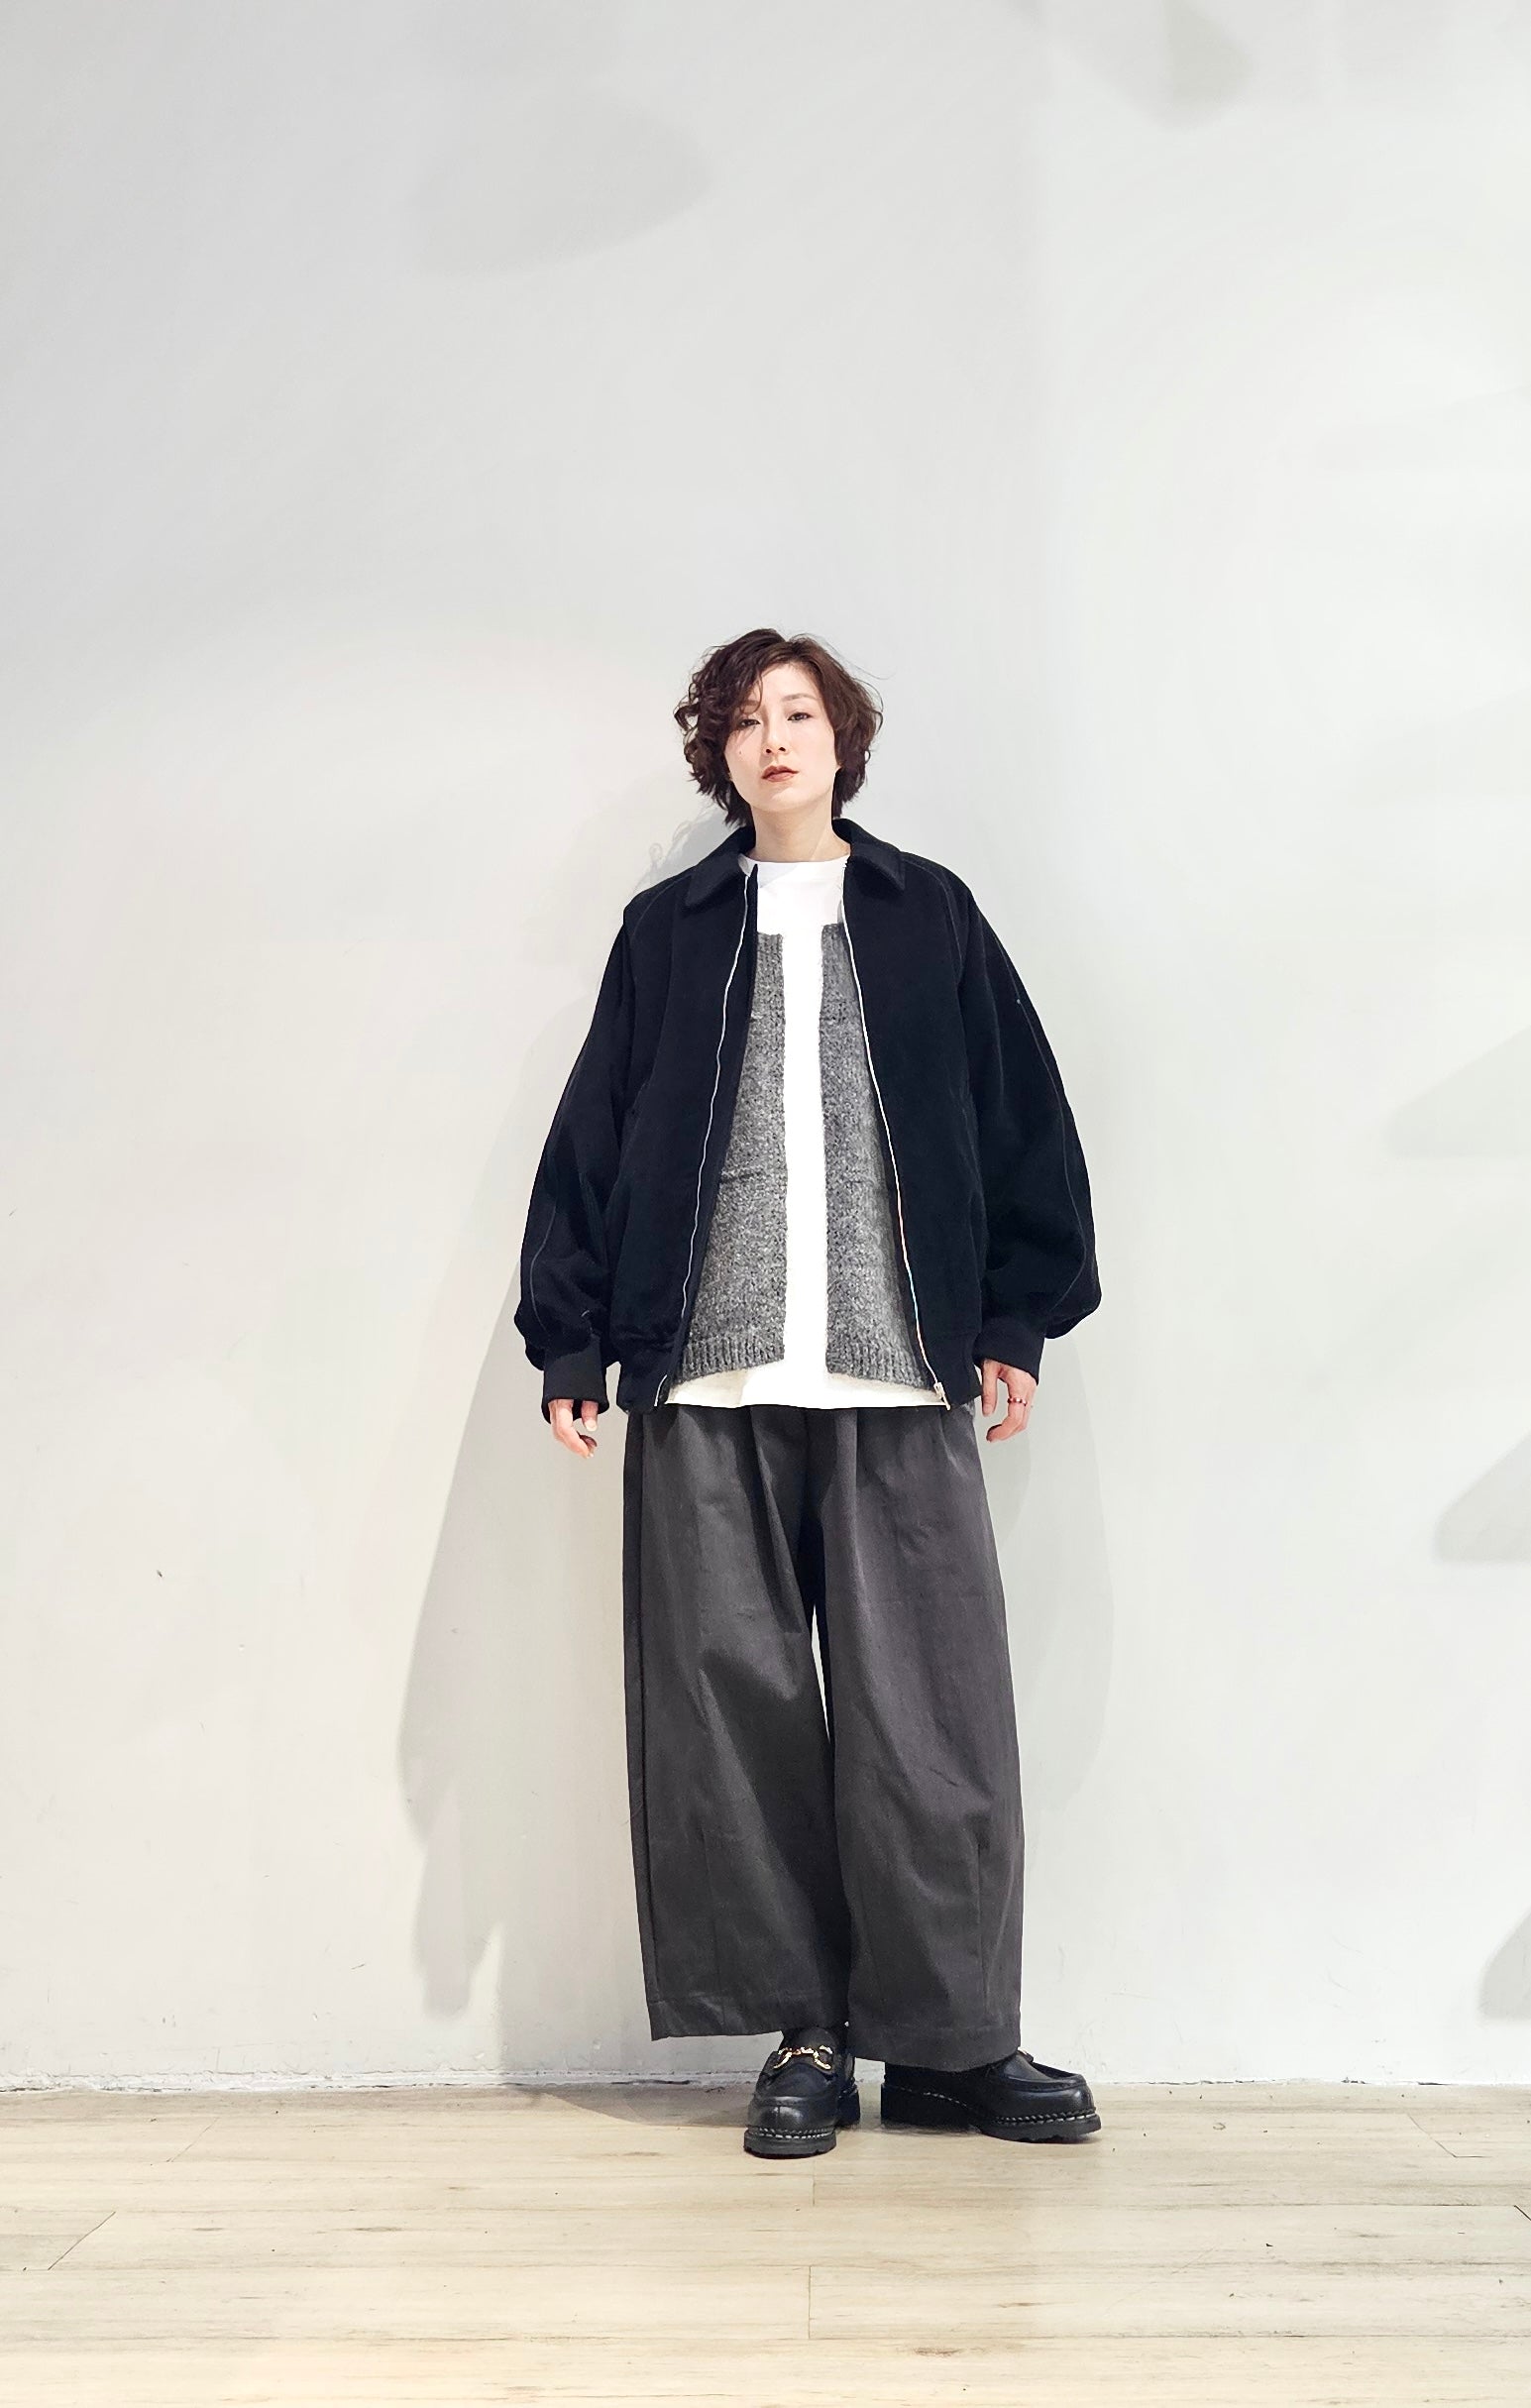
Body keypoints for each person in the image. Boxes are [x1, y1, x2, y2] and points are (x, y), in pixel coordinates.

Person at [515, 628, 1103, 2158]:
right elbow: (596, 1135)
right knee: (735, 1723)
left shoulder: (926, 916)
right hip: (706, 1379)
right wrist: (569, 1340)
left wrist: (1012, 1317)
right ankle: (806, 2039)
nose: (771, 737)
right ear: (716, 755)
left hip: (897, 1370)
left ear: (841, 739)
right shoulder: (668, 933)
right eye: (742, 719)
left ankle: (954, 2046)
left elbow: (1017, 1116)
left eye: (797, 711)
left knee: (933, 1722)